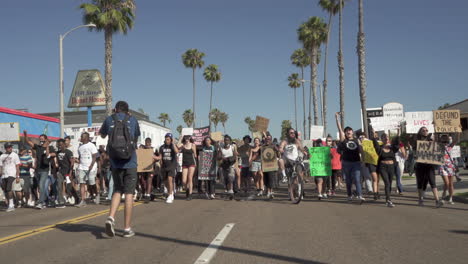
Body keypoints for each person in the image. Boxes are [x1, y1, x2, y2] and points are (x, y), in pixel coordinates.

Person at [100, 101, 141, 238]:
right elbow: (136, 137)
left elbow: (102, 135)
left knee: (117, 190)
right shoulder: (133, 120)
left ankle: (111, 217)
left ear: (116, 109)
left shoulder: (109, 119)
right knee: (129, 193)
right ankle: (126, 228)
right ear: (128, 110)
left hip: (115, 162)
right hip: (130, 161)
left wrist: (112, 117)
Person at [335, 112, 365, 203]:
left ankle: (359, 195)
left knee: (356, 178)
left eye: (350, 130)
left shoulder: (357, 140)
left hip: (356, 162)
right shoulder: (344, 140)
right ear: (345, 133)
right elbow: (340, 129)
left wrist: (363, 160)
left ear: (352, 132)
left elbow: (361, 150)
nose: (348, 132)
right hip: (346, 163)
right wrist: (337, 119)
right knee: (348, 180)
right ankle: (349, 195)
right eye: (347, 131)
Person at [410, 126, 443, 207]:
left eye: (426, 130)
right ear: (420, 132)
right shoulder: (417, 141)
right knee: (420, 183)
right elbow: (412, 144)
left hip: (429, 165)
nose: (425, 131)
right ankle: (420, 199)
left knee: (432, 182)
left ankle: (437, 200)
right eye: (423, 130)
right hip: (420, 165)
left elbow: (437, 147)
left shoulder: (431, 140)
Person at [24, 130, 56, 209]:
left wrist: (48, 146)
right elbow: (28, 141)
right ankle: (45, 201)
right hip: (37, 170)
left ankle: (41, 202)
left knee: (41, 186)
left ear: (46, 139)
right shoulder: (37, 147)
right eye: (40, 138)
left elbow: (53, 154)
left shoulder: (50, 147)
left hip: (45, 170)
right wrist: (25, 135)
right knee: (40, 187)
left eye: (42, 138)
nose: (41, 140)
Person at [371, 131, 399, 207]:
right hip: (383, 167)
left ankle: (388, 196)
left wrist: (398, 134)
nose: (386, 138)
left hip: (391, 167)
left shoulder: (392, 148)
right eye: (384, 137)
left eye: (387, 137)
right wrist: (373, 136)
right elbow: (375, 144)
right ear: (381, 139)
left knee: (389, 183)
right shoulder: (380, 148)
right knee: (386, 183)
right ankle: (388, 200)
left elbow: (397, 144)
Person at [279, 128, 306, 198]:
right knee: (280, 161)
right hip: (288, 161)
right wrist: (281, 149)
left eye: (293, 133)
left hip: (296, 161)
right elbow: (281, 147)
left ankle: (299, 191)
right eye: (291, 133)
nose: (292, 134)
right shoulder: (285, 141)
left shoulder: (296, 141)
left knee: (297, 179)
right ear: (288, 133)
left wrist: (305, 152)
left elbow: (301, 148)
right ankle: (284, 176)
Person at [75, 132, 98, 207]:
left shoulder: (91, 145)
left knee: (91, 182)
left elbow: (94, 156)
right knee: (82, 183)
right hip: (82, 167)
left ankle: (96, 194)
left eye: (82, 137)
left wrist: (91, 165)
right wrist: (78, 163)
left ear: (86, 138)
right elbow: (80, 157)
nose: (81, 138)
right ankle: (83, 200)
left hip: (91, 167)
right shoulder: (80, 147)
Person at [157, 133, 178, 203]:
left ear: (171, 140)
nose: (167, 140)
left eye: (168, 139)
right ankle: (170, 192)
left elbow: (176, 151)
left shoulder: (173, 146)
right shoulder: (162, 147)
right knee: (165, 182)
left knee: (170, 179)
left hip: (172, 165)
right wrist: (155, 158)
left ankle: (170, 195)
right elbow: (160, 157)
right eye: (166, 139)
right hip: (164, 166)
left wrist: (173, 143)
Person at [55, 139, 77, 208]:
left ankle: (75, 198)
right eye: (59, 145)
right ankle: (61, 202)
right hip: (61, 172)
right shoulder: (57, 153)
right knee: (59, 186)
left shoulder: (68, 152)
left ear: (64, 144)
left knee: (68, 187)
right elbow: (57, 162)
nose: (60, 146)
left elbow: (72, 162)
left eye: (61, 144)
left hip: (68, 172)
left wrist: (70, 172)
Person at [0, 143, 21, 212]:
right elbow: (1, 166)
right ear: (5, 148)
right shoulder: (2, 156)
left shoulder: (15, 155)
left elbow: (17, 166)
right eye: (9, 147)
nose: (10, 148)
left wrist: (17, 176)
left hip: (12, 174)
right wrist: (1, 172)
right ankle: (11, 202)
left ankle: (11, 205)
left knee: (9, 189)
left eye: (11, 147)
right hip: (4, 175)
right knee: (5, 189)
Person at [218, 135, 238, 199]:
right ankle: (229, 190)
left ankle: (231, 191)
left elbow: (235, 156)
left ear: (230, 141)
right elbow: (218, 157)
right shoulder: (221, 148)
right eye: (225, 140)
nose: (226, 141)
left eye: (227, 140)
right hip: (223, 166)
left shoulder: (232, 147)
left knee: (230, 177)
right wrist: (222, 157)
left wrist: (229, 159)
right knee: (225, 179)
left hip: (231, 165)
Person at [439, 135, 457, 204]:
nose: (444, 139)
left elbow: (456, 139)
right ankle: (443, 196)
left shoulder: (450, 146)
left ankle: (450, 198)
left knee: (451, 184)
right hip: (442, 166)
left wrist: (458, 131)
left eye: (445, 138)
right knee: (446, 183)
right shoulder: (439, 146)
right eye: (442, 138)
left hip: (450, 166)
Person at [180, 135, 197, 201]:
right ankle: (187, 190)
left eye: (188, 137)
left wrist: (193, 150)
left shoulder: (193, 145)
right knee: (184, 180)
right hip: (184, 163)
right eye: (185, 137)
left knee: (190, 178)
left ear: (190, 138)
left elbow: (195, 155)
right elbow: (177, 147)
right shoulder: (183, 145)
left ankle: (190, 194)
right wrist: (180, 138)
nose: (187, 138)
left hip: (191, 163)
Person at [262, 133, 279, 199]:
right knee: (266, 179)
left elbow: (278, 152)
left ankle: (270, 191)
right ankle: (268, 191)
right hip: (265, 166)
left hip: (272, 165)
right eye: (266, 139)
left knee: (271, 178)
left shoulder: (273, 146)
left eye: (269, 139)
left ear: (271, 140)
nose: (267, 140)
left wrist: (277, 150)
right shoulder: (263, 146)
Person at [139, 138, 155, 202]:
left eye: (148, 143)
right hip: (143, 168)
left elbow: (154, 159)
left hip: (150, 168)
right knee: (142, 181)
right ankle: (145, 193)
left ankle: (148, 195)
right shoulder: (143, 149)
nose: (147, 144)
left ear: (150, 143)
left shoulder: (151, 150)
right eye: (146, 143)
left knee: (149, 181)